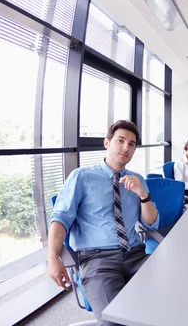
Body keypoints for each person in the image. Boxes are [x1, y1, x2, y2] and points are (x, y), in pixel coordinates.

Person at [47, 120, 159, 326]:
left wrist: (143, 195)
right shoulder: (82, 177)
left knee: (173, 300)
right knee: (115, 322)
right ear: (107, 143)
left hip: (135, 255)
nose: (126, 147)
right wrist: (53, 257)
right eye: (121, 140)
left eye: (132, 144)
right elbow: (60, 219)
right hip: (98, 261)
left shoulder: (137, 180)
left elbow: (151, 222)